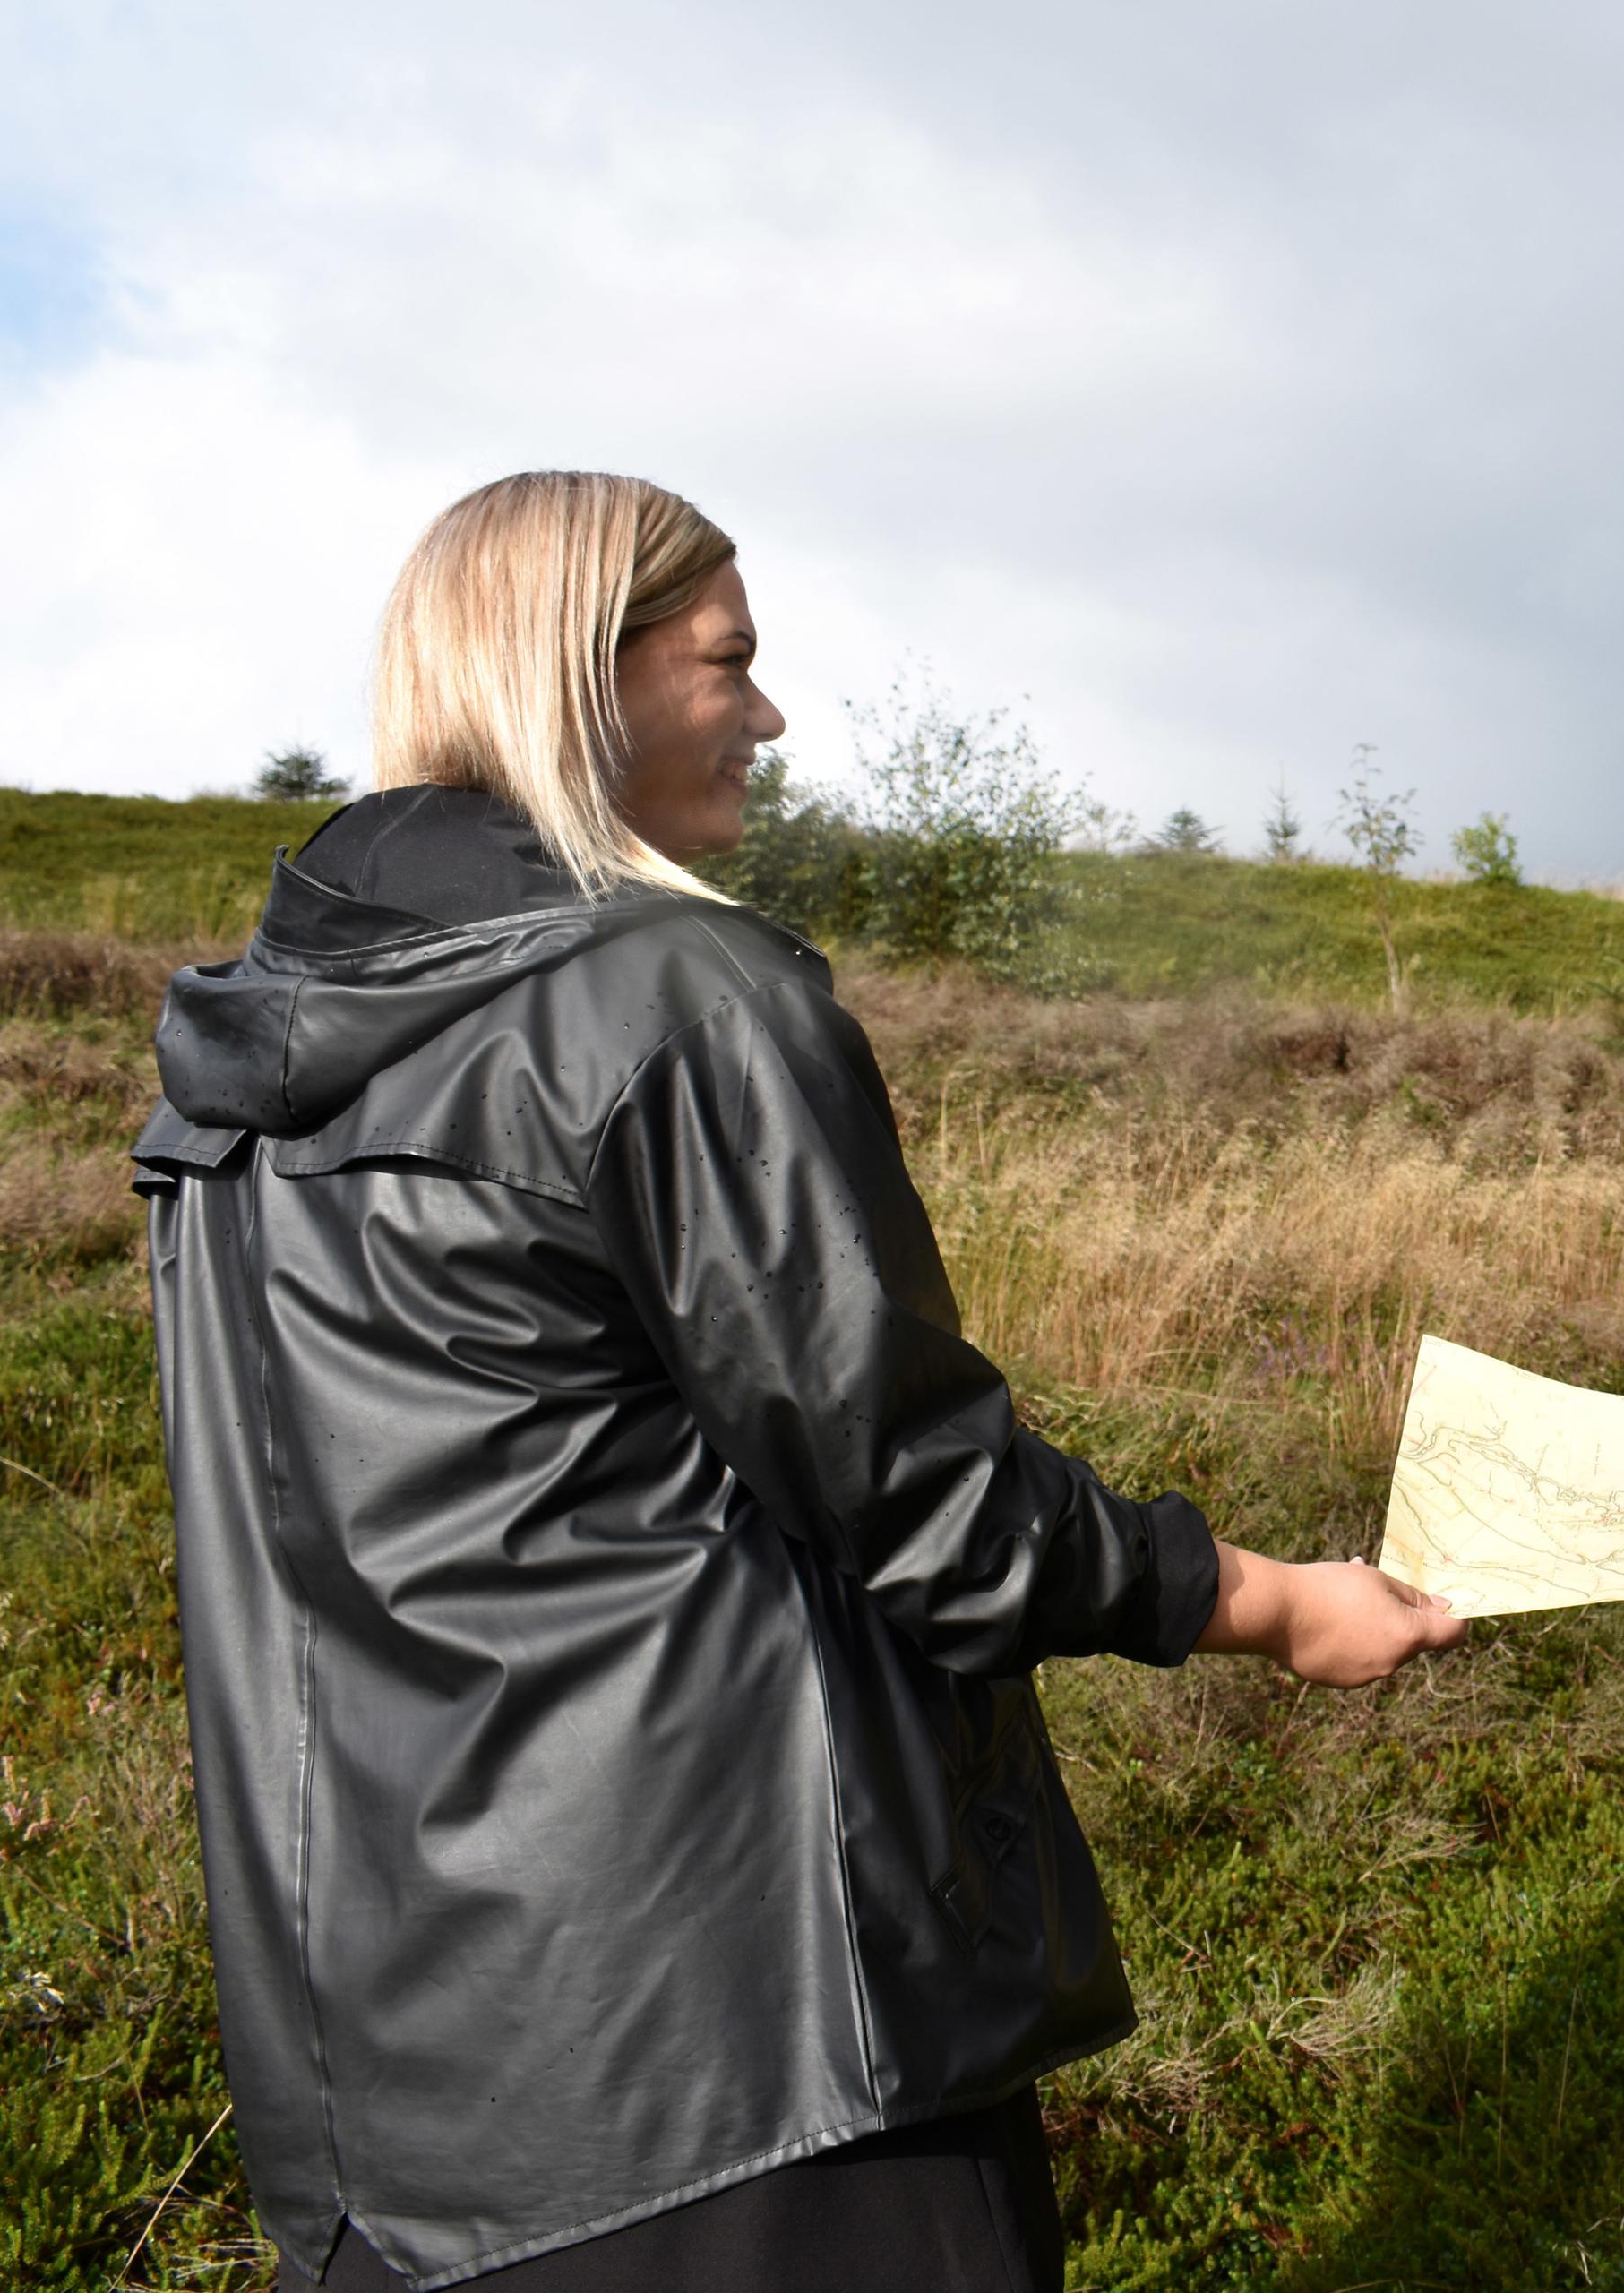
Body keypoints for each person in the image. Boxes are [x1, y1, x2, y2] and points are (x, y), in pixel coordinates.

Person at [137, 471, 1461, 2292]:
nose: (768, 715)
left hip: (393, 2105)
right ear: (573, 676)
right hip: (753, 2058)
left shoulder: (219, 1085)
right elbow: (921, 1493)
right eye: (727, 664)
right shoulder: (673, 997)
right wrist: (1258, 1596)